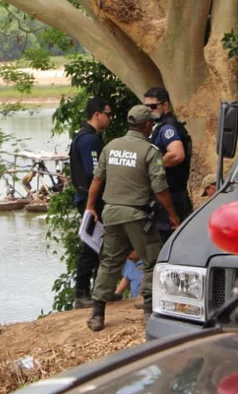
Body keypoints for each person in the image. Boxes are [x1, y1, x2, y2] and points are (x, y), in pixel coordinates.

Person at [85, 105, 181, 331]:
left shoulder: (111, 147)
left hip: (111, 212)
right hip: (137, 214)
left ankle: (97, 313)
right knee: (152, 260)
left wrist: (91, 207)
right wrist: (173, 215)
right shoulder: (151, 152)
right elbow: (160, 188)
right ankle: (149, 311)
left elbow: (97, 180)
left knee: (109, 261)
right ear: (147, 125)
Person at [69, 97, 112, 309]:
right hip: (91, 200)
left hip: (87, 198)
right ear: (97, 114)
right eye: (108, 114)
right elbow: (95, 172)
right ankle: (83, 293)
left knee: (98, 245)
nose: (110, 118)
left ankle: (98, 291)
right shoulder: (89, 140)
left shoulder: (84, 136)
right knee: (91, 245)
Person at [144, 87, 194, 242]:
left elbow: (177, 155)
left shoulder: (168, 128)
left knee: (166, 240)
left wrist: (154, 164)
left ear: (165, 106)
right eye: (146, 107)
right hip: (168, 193)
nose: (148, 110)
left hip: (171, 194)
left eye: (153, 106)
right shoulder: (160, 126)